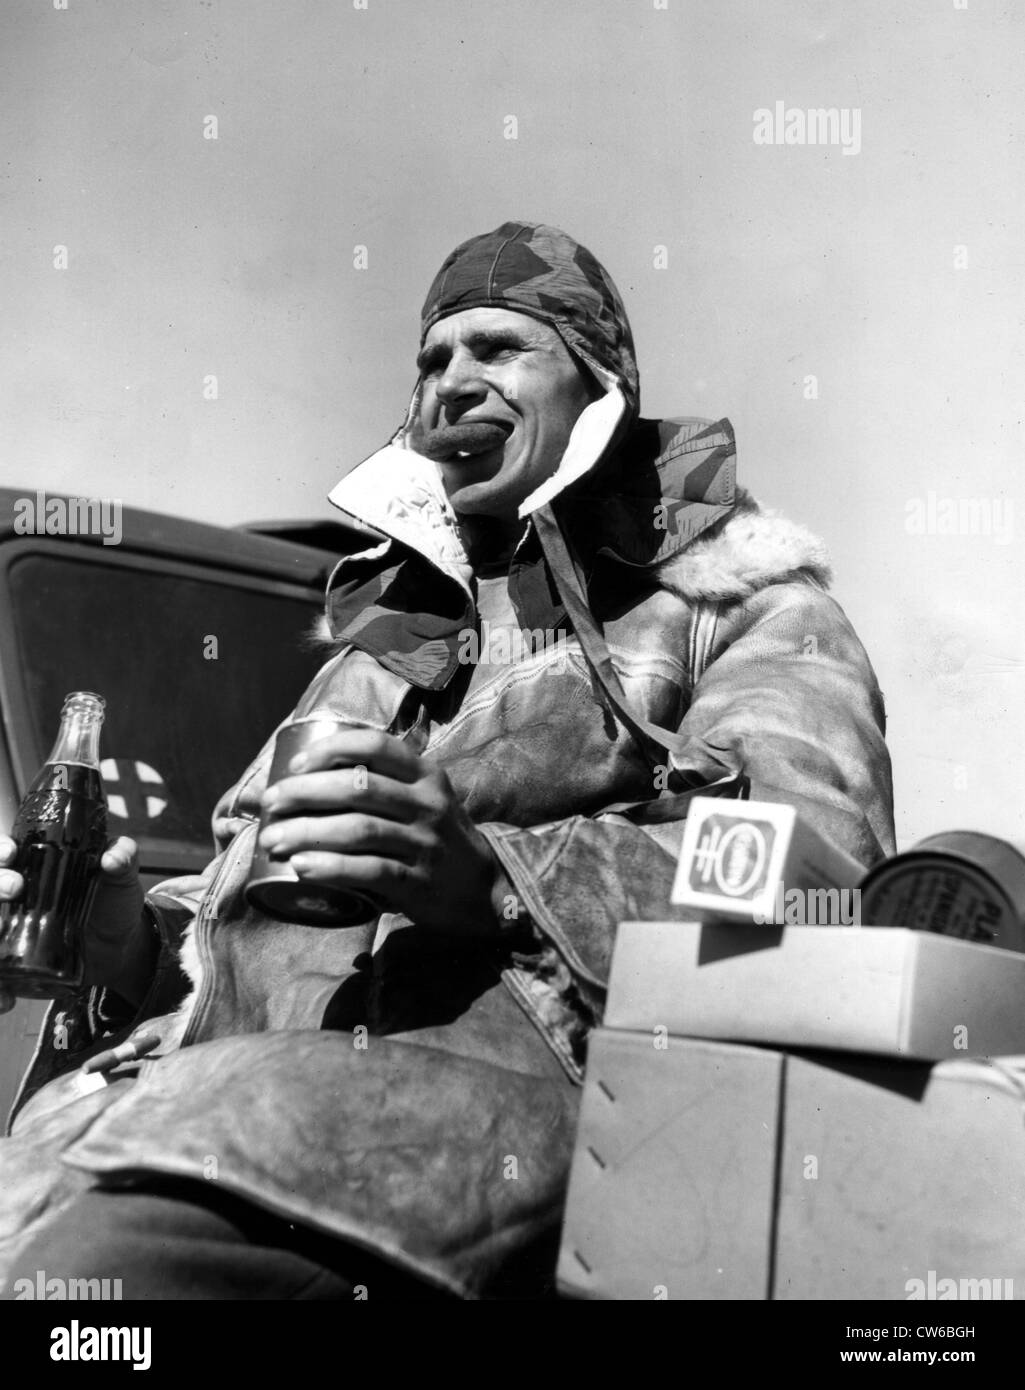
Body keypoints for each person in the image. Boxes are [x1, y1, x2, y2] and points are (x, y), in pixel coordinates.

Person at [0, 221, 895, 1300]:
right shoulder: (374, 661)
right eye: (433, 359)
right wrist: (133, 949)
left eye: (499, 349)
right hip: (203, 1107)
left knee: (103, 1285)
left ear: (598, 383)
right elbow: (235, 892)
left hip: (474, 1127)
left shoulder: (737, 610)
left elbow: (811, 884)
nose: (451, 384)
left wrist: (489, 878)